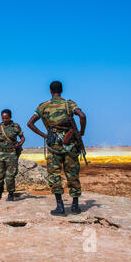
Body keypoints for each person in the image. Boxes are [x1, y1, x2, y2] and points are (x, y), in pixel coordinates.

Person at [27, 81, 86, 216]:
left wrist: (45, 135)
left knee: (54, 175)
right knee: (72, 174)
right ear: (62, 90)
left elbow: (30, 123)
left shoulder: (43, 106)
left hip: (53, 145)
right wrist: (81, 132)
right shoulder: (69, 104)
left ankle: (60, 207)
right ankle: (75, 206)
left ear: (50, 90)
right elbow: (82, 116)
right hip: (70, 146)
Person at [0, 109, 25, 201]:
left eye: (7, 118)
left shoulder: (15, 126)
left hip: (12, 154)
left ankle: (10, 194)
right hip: (0, 154)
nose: (5, 120)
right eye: (3, 118)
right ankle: (0, 190)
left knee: (10, 176)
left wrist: (20, 143)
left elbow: (22, 137)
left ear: (10, 117)